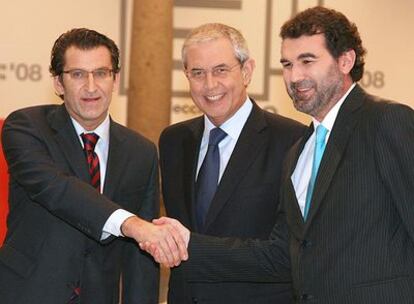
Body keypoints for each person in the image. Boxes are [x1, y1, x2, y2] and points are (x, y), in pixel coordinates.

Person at [146, 6, 414, 303]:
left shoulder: (386, 120)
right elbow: (286, 251)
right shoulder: (303, 148)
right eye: (287, 64)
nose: (295, 76)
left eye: (307, 61)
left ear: (345, 61)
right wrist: (184, 243)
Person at [0, 28, 186, 304]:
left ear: (115, 79)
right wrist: (131, 224)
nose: (91, 86)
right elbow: (56, 189)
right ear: (58, 83)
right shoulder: (26, 127)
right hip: (27, 292)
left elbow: (140, 260)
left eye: (101, 73)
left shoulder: (141, 151)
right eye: (77, 74)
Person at [159, 23, 305, 304]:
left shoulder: (292, 141)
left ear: (247, 71)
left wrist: (193, 246)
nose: (210, 84)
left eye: (221, 70)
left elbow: (288, 252)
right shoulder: (173, 141)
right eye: (198, 73)